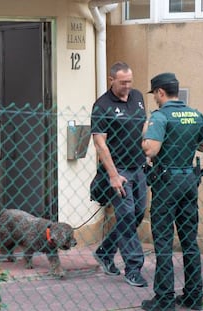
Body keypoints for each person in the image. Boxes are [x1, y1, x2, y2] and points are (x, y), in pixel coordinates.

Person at [141, 73, 203, 311]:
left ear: (161, 92)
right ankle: (194, 297)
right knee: (189, 241)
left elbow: (151, 150)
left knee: (163, 242)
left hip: (166, 184)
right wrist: (186, 141)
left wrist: (145, 135)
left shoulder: (160, 116)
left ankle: (164, 300)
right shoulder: (195, 114)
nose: (154, 99)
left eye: (154, 95)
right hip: (189, 183)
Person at [90, 61, 148, 287]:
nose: (127, 86)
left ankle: (105, 252)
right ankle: (133, 267)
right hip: (119, 170)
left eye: (130, 82)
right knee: (125, 215)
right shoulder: (102, 105)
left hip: (139, 166)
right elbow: (99, 143)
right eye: (123, 82)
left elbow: (143, 126)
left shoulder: (138, 97)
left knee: (137, 214)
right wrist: (113, 175)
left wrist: (148, 151)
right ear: (111, 80)